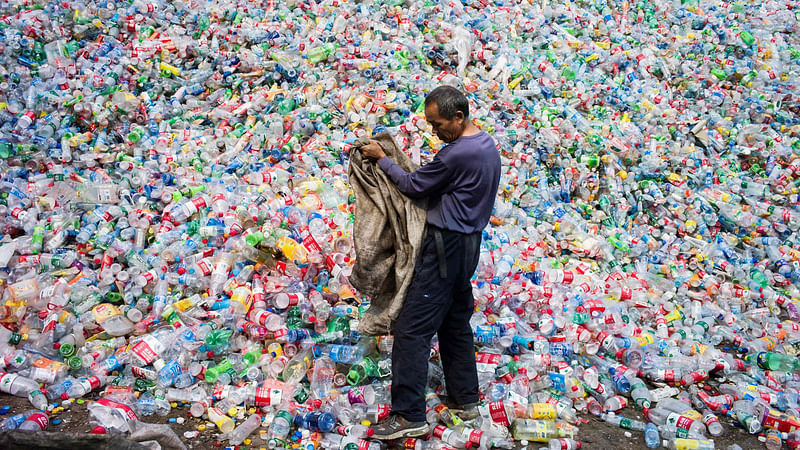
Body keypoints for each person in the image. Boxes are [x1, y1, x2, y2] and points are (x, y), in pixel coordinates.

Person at [359, 85, 501, 440]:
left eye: (439, 125)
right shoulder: (486, 145)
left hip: (443, 247)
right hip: (469, 245)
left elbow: (411, 185)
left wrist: (382, 158)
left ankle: (408, 415)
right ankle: (465, 399)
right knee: (455, 323)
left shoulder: (457, 154)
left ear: (459, 116)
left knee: (412, 329)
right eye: (430, 124)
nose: (434, 132)